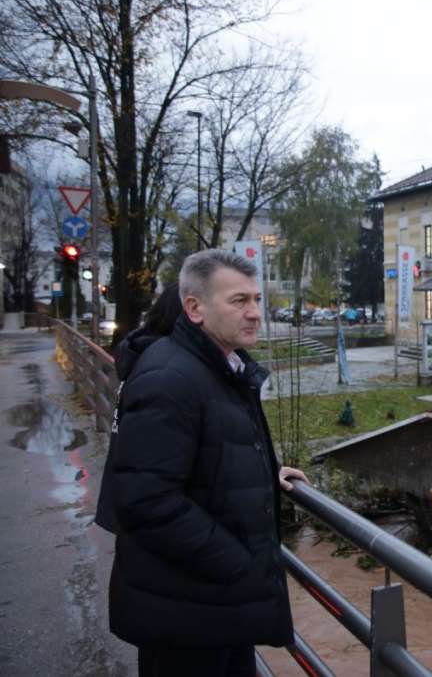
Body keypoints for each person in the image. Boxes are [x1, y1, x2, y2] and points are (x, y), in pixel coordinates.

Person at [104, 250, 307, 676]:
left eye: (256, 300)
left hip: (206, 607)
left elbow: (206, 454)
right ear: (194, 308)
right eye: (239, 301)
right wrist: (237, 563)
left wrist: (264, 473)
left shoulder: (216, 367)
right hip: (189, 613)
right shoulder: (171, 379)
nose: (254, 314)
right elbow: (146, 502)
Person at [95, 282, 184, 535]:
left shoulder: (145, 355)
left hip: (130, 518)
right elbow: (152, 487)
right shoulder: (164, 374)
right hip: (153, 534)